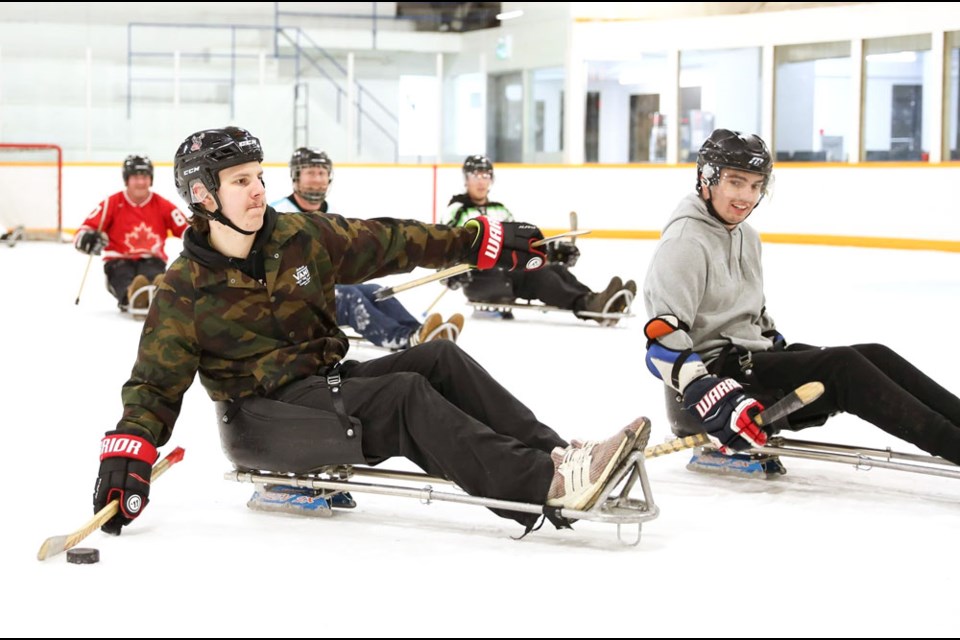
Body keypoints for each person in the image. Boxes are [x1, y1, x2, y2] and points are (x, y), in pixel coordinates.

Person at [91, 126, 648, 539]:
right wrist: (129, 448)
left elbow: (388, 240)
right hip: (262, 418)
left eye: (259, 176)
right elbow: (154, 384)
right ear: (203, 195)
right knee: (402, 397)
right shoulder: (184, 286)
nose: (258, 190)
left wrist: (473, 241)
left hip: (322, 385)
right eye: (241, 181)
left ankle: (556, 457)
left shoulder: (297, 235)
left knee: (437, 360)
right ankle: (539, 485)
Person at [642, 128, 960, 466]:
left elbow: (755, 318)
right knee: (843, 369)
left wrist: (776, 346)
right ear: (706, 179)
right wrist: (704, 392)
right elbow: (662, 340)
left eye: (755, 185)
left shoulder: (746, 236)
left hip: (750, 365)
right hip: (713, 392)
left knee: (874, 355)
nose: (746, 196)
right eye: (736, 182)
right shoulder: (684, 242)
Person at [270, 147, 464, 349]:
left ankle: (421, 332)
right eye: (310, 173)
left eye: (322, 173)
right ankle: (405, 339)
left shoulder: (333, 215)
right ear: (296, 176)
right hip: (291, 299)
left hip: (325, 286)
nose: (318, 179)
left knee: (374, 291)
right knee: (349, 298)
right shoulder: (279, 213)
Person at [445, 154, 635, 324]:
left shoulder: (500, 209)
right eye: (475, 175)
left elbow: (518, 242)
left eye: (485, 175)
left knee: (555, 269)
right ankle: (589, 305)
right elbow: (447, 245)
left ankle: (597, 300)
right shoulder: (458, 210)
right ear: (466, 179)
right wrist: (451, 271)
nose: (481, 181)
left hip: (507, 270)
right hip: (481, 277)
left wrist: (552, 252)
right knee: (538, 274)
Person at [73, 155, 188, 311]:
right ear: (127, 179)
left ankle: (158, 290)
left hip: (152, 259)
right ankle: (133, 295)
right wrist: (88, 238)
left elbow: (187, 230)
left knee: (153, 275)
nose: (141, 182)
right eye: (135, 177)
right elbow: (83, 230)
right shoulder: (111, 203)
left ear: (151, 179)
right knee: (123, 277)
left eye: (145, 177)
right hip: (118, 261)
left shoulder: (163, 205)